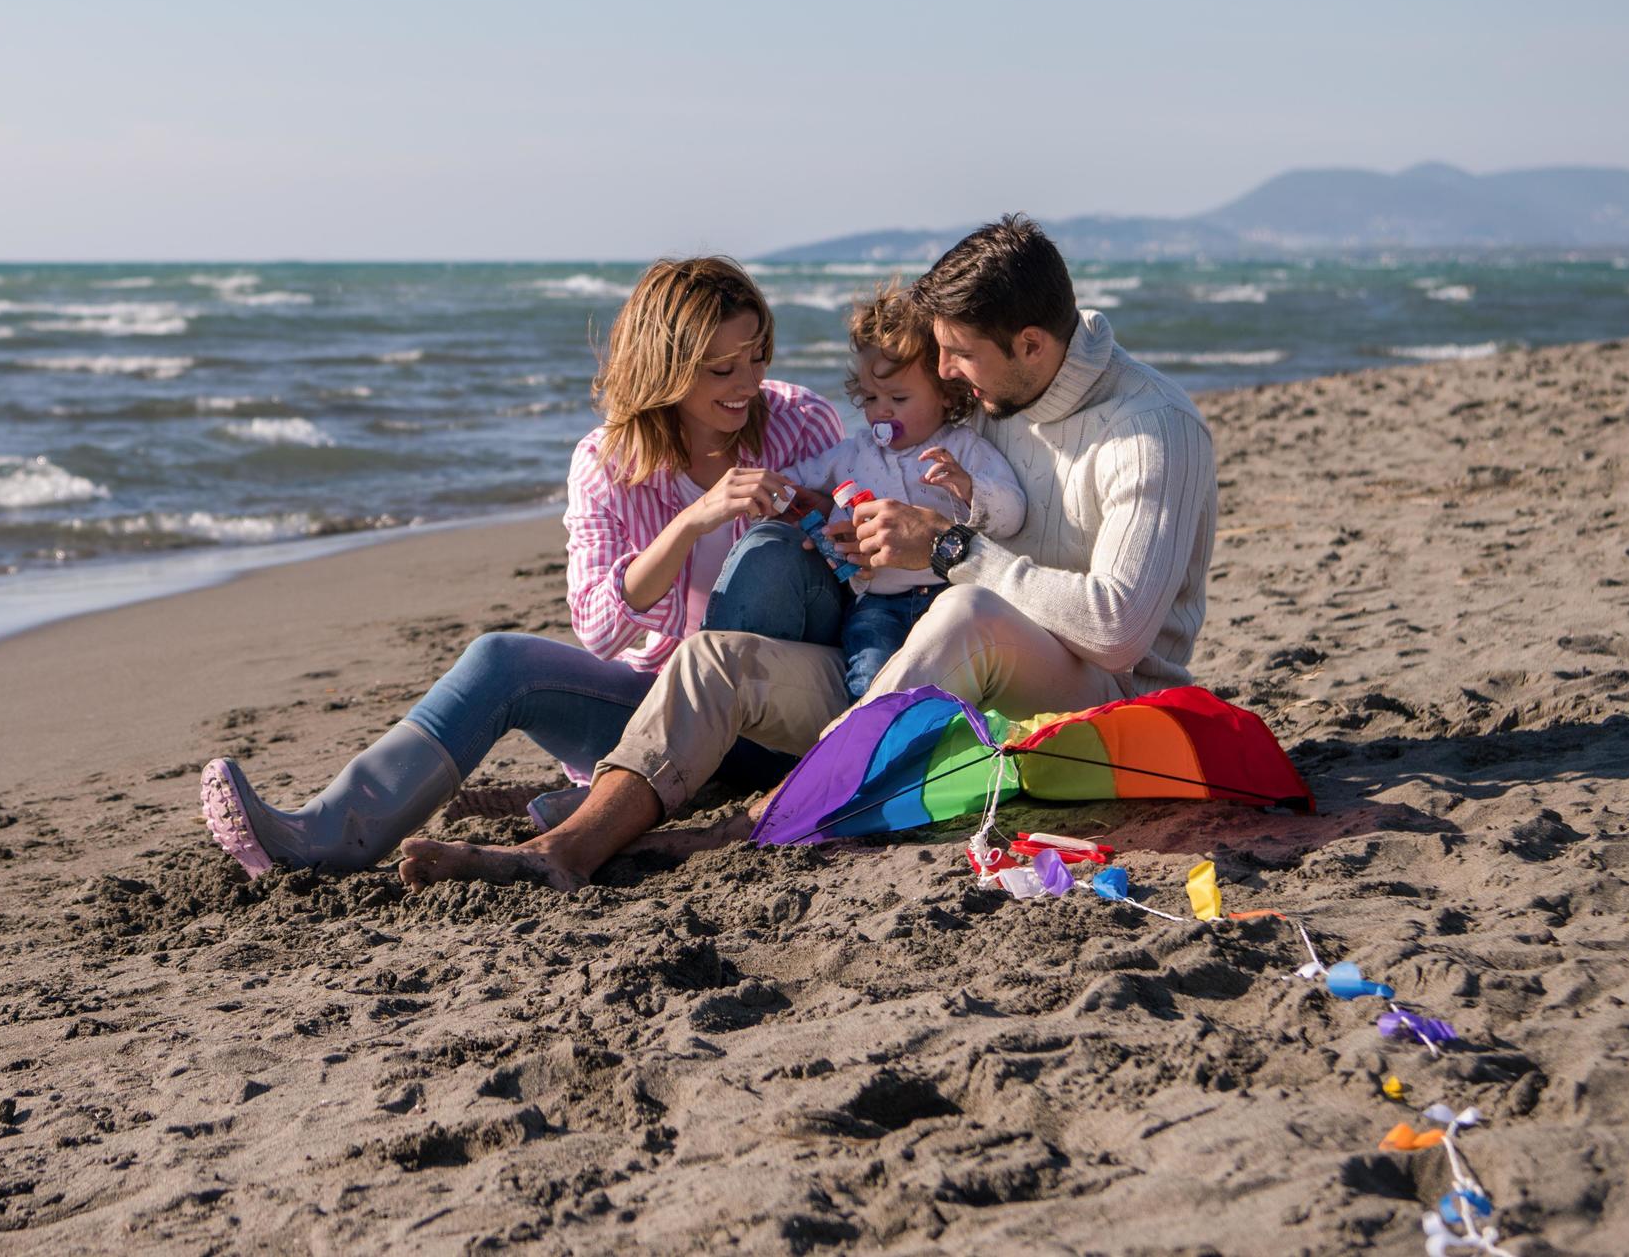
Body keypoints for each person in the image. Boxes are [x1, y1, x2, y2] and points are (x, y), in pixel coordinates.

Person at [398, 214, 1217, 892]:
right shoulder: (996, 403)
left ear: (1032, 345)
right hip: (925, 671)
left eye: (958, 357)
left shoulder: (1148, 430)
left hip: (1094, 696)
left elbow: (1116, 633)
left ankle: (755, 820)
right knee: (714, 660)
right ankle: (568, 848)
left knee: (967, 606)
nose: (947, 375)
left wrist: (951, 547)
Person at [200, 254, 845, 876]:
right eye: (721, 369)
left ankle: (621, 801)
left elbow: (862, 561)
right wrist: (690, 522)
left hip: (778, 715)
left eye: (757, 357)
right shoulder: (606, 463)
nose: (747, 384)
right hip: (659, 711)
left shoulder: (800, 424)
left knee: (769, 554)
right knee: (499, 661)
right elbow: (598, 627)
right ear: (666, 368)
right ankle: (331, 829)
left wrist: (828, 523)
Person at [781, 281, 1028, 697]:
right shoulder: (852, 453)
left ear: (946, 396)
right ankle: (870, 737)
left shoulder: (961, 449)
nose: (881, 410)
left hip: (949, 597)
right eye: (870, 397)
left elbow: (1013, 512)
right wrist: (778, 492)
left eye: (898, 397)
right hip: (877, 603)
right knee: (870, 676)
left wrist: (969, 489)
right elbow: (798, 477)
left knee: (951, 682)